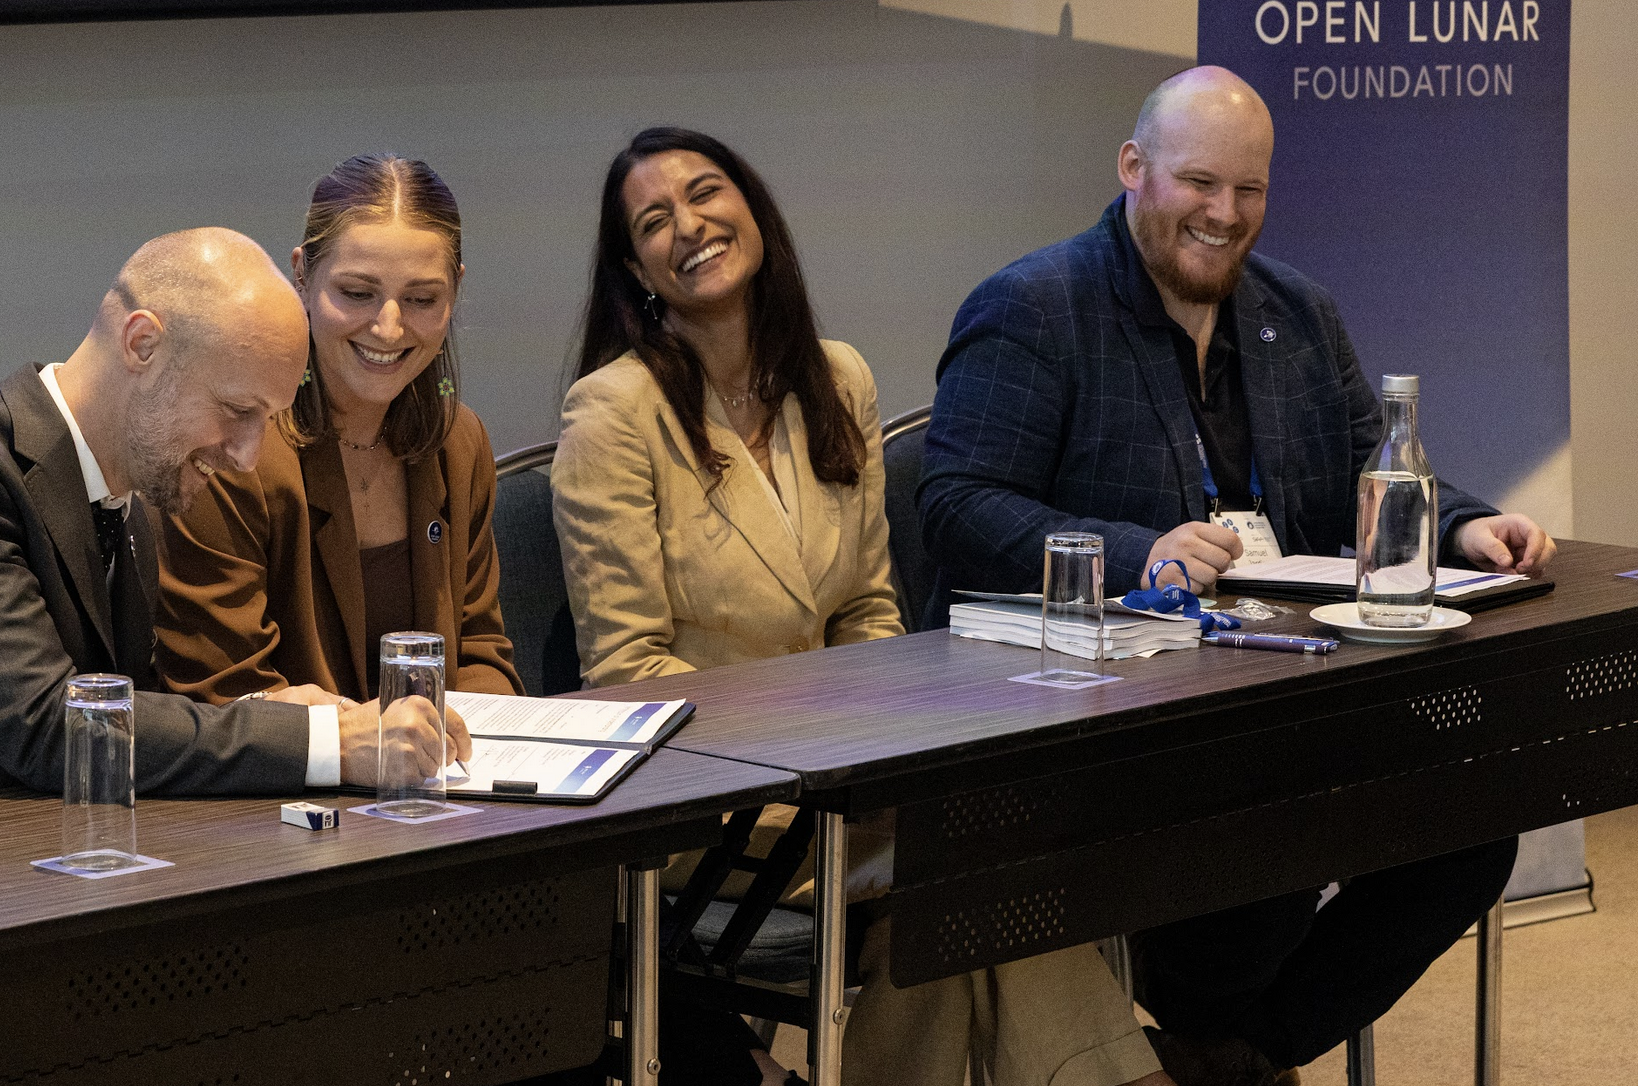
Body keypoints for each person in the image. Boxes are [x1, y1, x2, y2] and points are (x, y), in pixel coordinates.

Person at [920, 65, 1550, 1086]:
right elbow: (955, 507)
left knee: (1467, 835)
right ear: (1133, 169)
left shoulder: (1297, 313)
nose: (1223, 214)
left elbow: (1364, 464)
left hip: (1280, 695)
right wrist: (1139, 555)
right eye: (1198, 183)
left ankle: (1224, 1057)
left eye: (1248, 190)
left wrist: (1470, 528)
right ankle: (1224, 1044)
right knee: (1261, 857)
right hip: (1108, 726)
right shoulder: (1035, 307)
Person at [554, 128, 1170, 1086]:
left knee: (971, 878)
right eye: (653, 221)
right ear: (635, 268)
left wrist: (870, 741)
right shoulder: (613, 414)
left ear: (754, 210)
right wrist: (808, 751)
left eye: (707, 193)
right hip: (707, 806)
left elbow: (869, 618)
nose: (690, 227)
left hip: (852, 784)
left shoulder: (837, 377)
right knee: (964, 877)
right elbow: (626, 674)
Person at [0, 228, 455, 816]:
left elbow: (129, 712)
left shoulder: (130, 500)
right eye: (235, 409)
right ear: (142, 343)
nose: (248, 453)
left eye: (266, 420)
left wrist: (262, 719)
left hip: (26, 873)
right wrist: (327, 746)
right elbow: (55, 725)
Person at [158, 155, 523, 704]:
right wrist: (369, 745)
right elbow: (222, 694)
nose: (389, 327)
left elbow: (480, 655)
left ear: (456, 289)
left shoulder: (459, 441)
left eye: (423, 299)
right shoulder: (231, 447)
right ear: (301, 274)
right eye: (357, 293)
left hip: (431, 783)